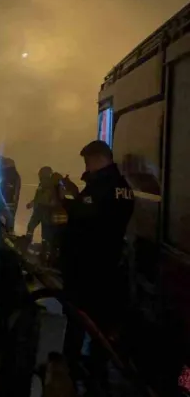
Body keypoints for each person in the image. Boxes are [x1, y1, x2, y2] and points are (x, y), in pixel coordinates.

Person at [59, 140, 134, 394]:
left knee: (79, 319)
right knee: (100, 322)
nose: (86, 167)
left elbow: (84, 217)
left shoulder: (102, 187)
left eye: (88, 162)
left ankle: (72, 372)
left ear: (99, 158)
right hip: (107, 267)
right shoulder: (121, 187)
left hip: (88, 270)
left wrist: (65, 200)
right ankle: (95, 371)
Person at [0, 156, 22, 234]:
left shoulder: (1, 172)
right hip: (8, 201)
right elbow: (17, 189)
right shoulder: (15, 174)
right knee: (7, 218)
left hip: (3, 201)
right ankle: (8, 233)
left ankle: (2, 233)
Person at [25, 166, 54, 248]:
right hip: (42, 210)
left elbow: (43, 198)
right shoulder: (43, 184)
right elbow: (38, 197)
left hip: (43, 210)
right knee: (43, 230)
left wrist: (33, 203)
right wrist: (32, 203)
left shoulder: (47, 183)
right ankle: (45, 247)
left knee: (33, 226)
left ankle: (28, 243)